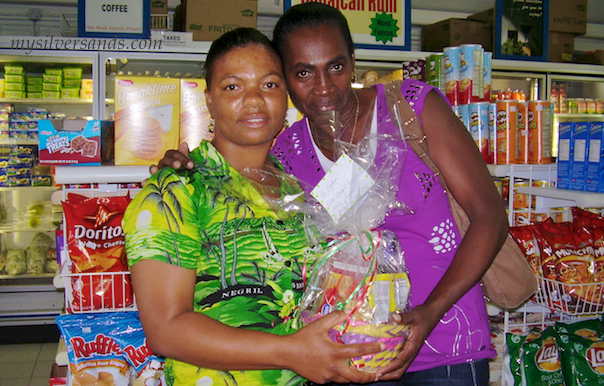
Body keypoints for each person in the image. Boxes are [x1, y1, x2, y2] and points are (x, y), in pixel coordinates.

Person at [152, 3, 509, 385]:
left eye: (335, 67)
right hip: (343, 357)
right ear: (286, 78)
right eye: (304, 72)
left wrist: (429, 312)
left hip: (443, 347)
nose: (323, 87)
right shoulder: (286, 152)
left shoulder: (412, 108)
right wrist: (182, 165)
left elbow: (490, 216)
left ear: (353, 63)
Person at [124, 27, 386, 386]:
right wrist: (290, 351)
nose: (253, 100)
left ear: (286, 97)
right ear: (209, 101)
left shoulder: (299, 191)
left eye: (269, 85)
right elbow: (166, 330)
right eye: (232, 86)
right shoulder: (178, 189)